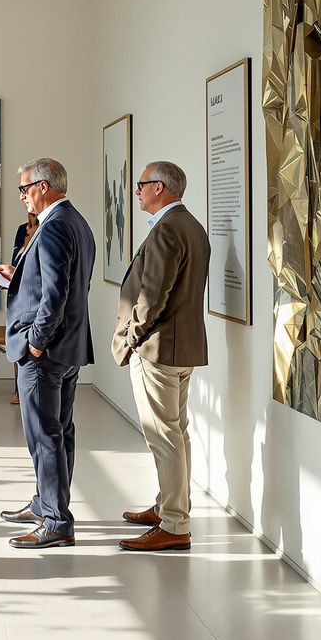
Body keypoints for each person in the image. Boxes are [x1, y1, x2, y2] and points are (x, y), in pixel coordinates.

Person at [0, 158, 95, 549]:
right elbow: (60, 281)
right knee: (61, 429)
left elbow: (56, 295)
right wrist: (15, 276)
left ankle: (56, 521)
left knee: (43, 434)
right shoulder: (76, 223)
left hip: (46, 351)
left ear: (43, 187)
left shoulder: (53, 227)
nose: (22, 197)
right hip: (69, 346)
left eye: (24, 189)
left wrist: (35, 341)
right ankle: (45, 503)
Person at [112, 161, 210, 552]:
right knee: (177, 433)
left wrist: (132, 338)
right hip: (181, 346)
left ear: (161, 188)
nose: (136, 191)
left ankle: (174, 524)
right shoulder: (190, 225)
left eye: (141, 185)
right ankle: (169, 508)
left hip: (158, 347)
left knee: (164, 437)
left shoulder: (168, 228)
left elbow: (153, 295)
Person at [7, 212, 41, 406]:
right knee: (19, 345)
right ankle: (19, 389)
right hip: (18, 299)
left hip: (33, 301)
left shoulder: (46, 229)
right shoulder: (22, 230)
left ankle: (23, 391)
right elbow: (16, 266)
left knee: (31, 345)